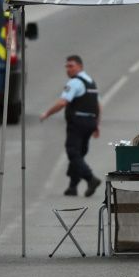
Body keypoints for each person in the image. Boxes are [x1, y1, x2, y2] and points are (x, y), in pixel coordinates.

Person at [40, 55, 102, 197]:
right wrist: (96, 124)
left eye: (71, 66)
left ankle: (90, 178)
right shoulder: (91, 82)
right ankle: (72, 187)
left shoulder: (75, 82)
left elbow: (63, 102)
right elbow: (98, 105)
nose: (68, 69)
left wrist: (47, 114)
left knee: (73, 153)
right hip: (90, 122)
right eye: (67, 66)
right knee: (79, 154)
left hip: (78, 122)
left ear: (80, 66)